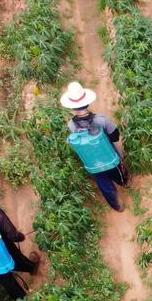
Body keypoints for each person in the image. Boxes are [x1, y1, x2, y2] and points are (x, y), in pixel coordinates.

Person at [60, 81, 128, 212]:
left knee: (104, 184)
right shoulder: (101, 120)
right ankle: (123, 182)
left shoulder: (71, 125)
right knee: (117, 172)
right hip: (109, 157)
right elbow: (115, 136)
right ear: (87, 102)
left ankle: (117, 205)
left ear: (72, 107)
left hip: (92, 162)